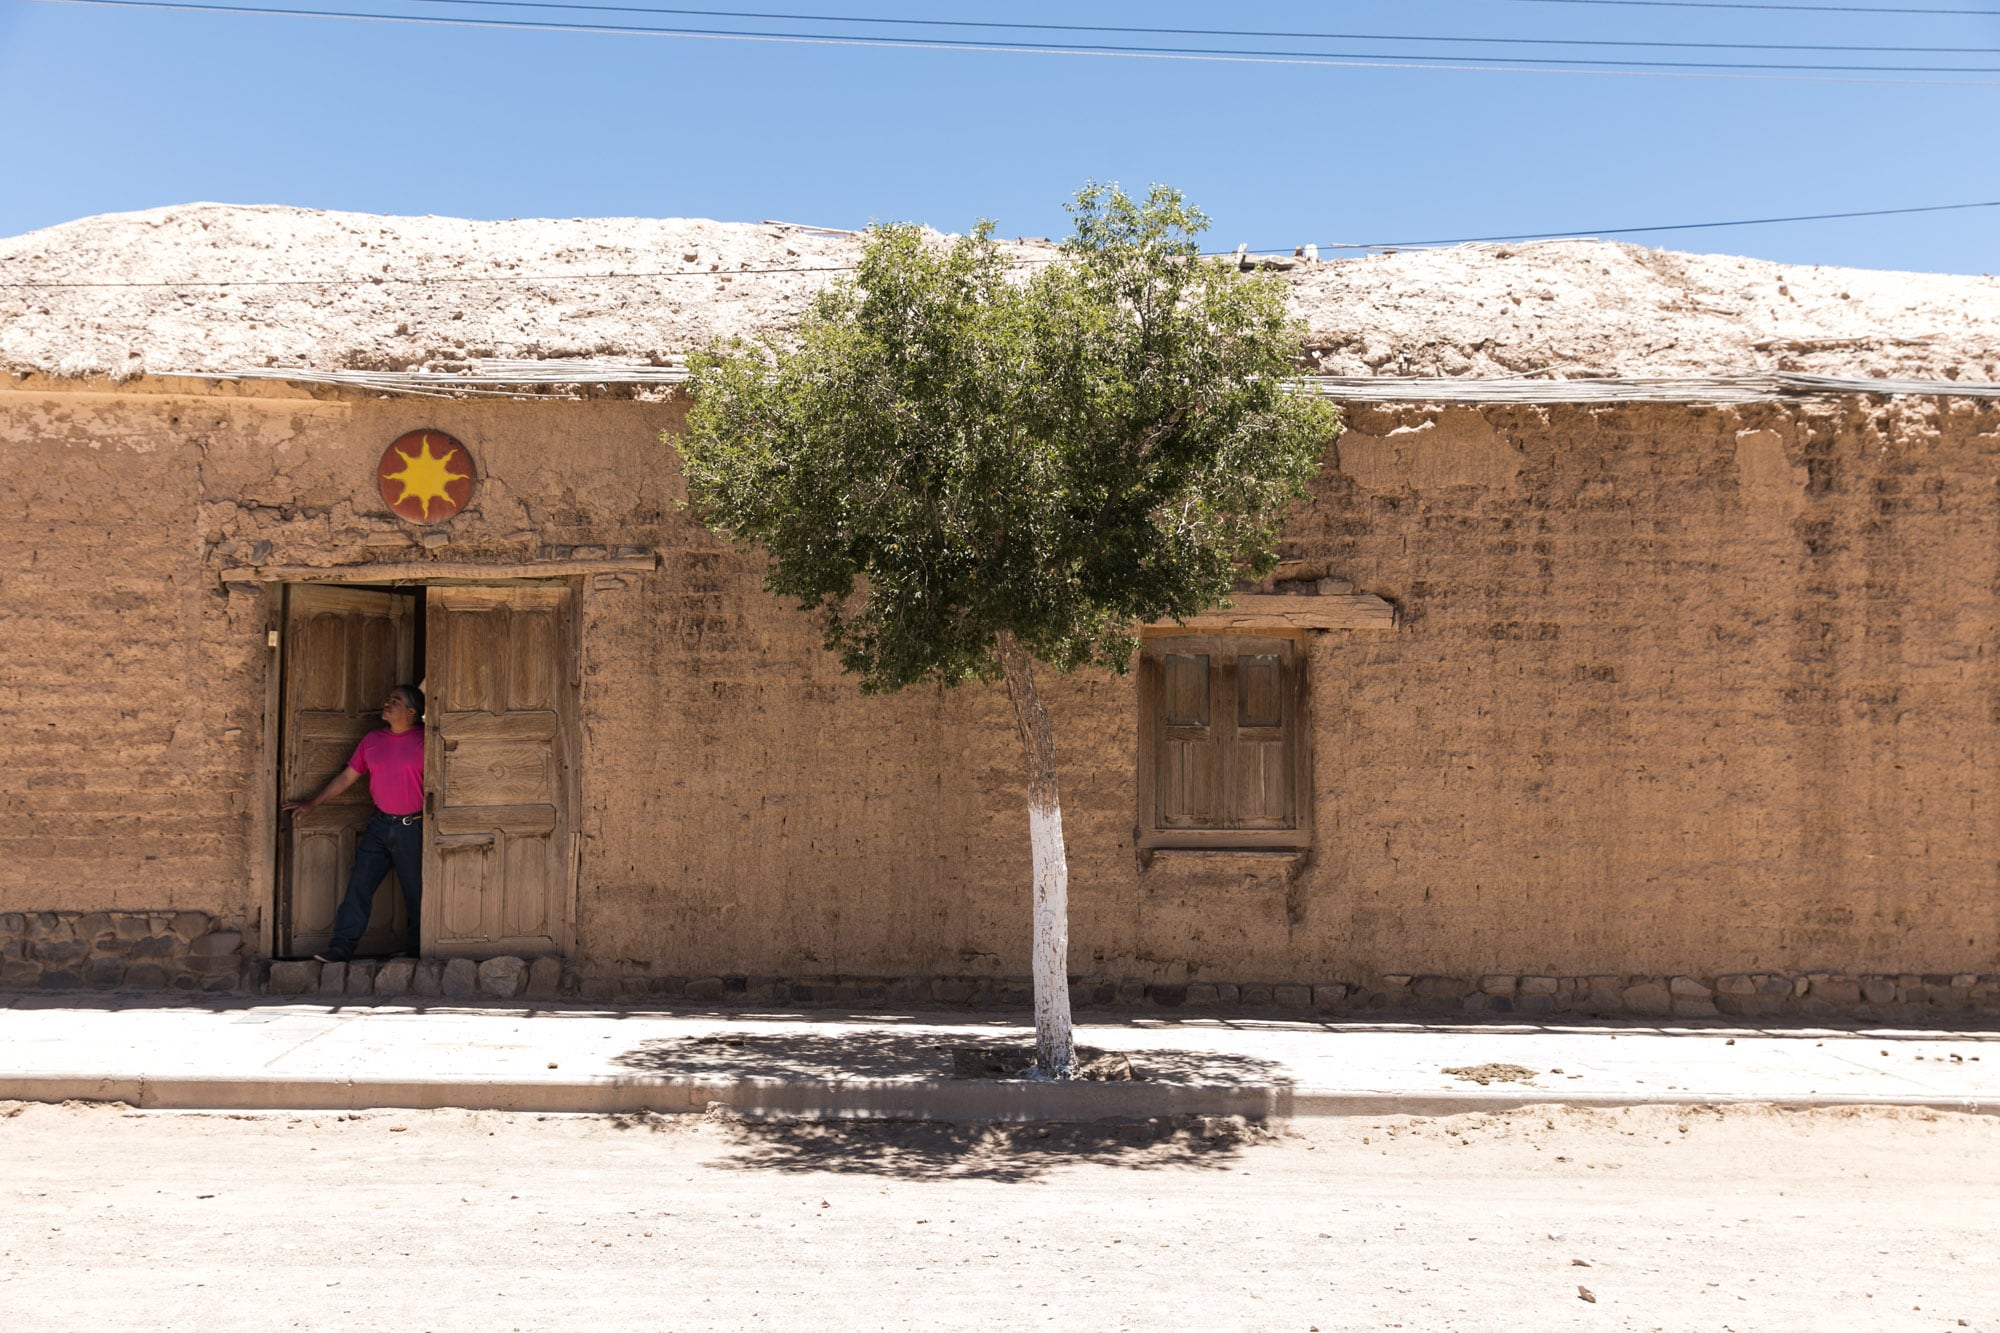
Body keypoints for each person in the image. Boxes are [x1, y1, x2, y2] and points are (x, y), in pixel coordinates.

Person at [283, 684, 426, 962]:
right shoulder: (372, 740)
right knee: (358, 887)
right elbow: (347, 777)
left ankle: (418, 950)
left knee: (416, 892)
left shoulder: (426, 741)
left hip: (413, 828)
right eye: (388, 698)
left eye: (395, 701)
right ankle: (341, 947)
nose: (387, 702)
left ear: (411, 712)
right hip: (379, 827)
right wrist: (313, 802)